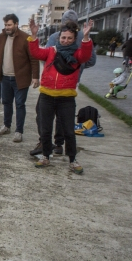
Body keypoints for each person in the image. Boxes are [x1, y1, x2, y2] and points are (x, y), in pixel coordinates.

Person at [28, 18, 94, 174]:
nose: (65, 41)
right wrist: (33, 35)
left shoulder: (77, 54)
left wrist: (85, 38)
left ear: (74, 39)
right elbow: (36, 52)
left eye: (69, 38)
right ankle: (45, 156)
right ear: (59, 38)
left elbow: (86, 55)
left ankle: (72, 159)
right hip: (47, 96)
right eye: (63, 38)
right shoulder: (51, 51)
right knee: (45, 129)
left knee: (68, 131)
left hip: (66, 98)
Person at [0, 13, 39, 142]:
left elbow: (34, 58)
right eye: (5, 25)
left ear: (16, 24)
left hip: (20, 78)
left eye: (9, 25)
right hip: (5, 78)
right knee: (6, 103)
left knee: (20, 104)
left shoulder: (25, 38)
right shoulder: (2, 37)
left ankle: (19, 131)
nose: (7, 27)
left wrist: (35, 77)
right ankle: (6, 126)